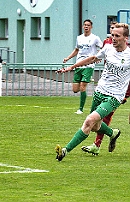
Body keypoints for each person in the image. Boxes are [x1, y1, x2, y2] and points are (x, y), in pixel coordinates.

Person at [55, 23, 130, 162]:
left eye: (117, 36)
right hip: (99, 92)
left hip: (114, 97)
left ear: (125, 38)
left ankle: (65, 151)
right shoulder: (107, 48)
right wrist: (72, 67)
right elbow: (93, 59)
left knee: (89, 121)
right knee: (95, 126)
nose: (113, 38)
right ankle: (112, 133)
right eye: (112, 35)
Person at [81, 21, 130, 155]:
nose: (113, 36)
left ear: (124, 36)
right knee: (104, 117)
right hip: (109, 87)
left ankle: (107, 138)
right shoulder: (108, 44)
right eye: (111, 31)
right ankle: (98, 144)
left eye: (116, 33)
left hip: (123, 87)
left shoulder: (127, 50)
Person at [63, 19, 103, 114]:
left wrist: (98, 57)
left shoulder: (95, 38)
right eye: (85, 25)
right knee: (75, 90)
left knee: (82, 87)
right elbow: (77, 50)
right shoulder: (79, 38)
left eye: (88, 25)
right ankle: (89, 79)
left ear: (91, 27)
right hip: (79, 64)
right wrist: (68, 58)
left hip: (89, 65)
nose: (86, 26)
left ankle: (80, 109)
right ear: (82, 26)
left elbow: (102, 48)